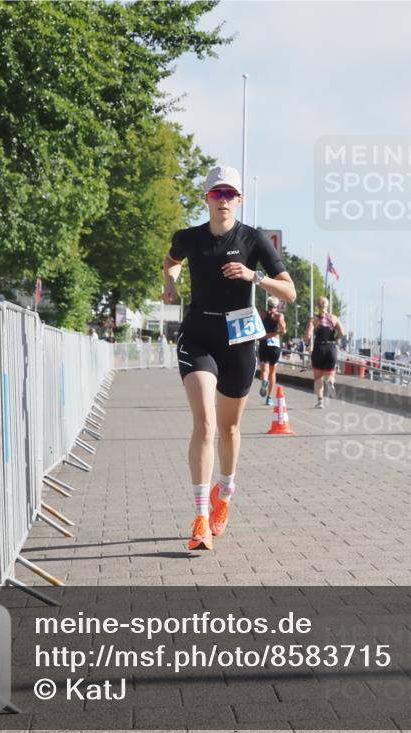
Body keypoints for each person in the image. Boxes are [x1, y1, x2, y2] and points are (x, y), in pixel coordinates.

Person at [163, 165, 296, 551]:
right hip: (198, 335)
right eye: (216, 194)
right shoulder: (188, 237)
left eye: (230, 194)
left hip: (238, 340)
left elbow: (290, 293)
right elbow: (171, 262)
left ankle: (226, 491)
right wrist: (169, 283)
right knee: (204, 424)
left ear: (240, 199)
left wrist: (253, 277)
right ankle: (201, 516)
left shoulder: (253, 239)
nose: (223, 200)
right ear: (206, 198)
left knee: (230, 429)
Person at [304, 296, 345, 408]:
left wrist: (307, 345)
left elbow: (307, 335)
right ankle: (330, 382)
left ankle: (320, 401)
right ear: (327, 306)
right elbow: (342, 332)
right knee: (330, 374)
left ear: (317, 306)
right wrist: (336, 339)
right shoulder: (334, 318)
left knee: (318, 378)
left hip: (318, 349)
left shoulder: (314, 320)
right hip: (331, 348)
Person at [257, 296, 287, 406]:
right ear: (277, 306)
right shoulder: (279, 315)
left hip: (264, 344)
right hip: (275, 346)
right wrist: (279, 330)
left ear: (267, 304)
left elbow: (257, 328)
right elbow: (283, 329)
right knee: (272, 372)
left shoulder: (262, 314)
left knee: (265, 370)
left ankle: (264, 382)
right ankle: (269, 397)